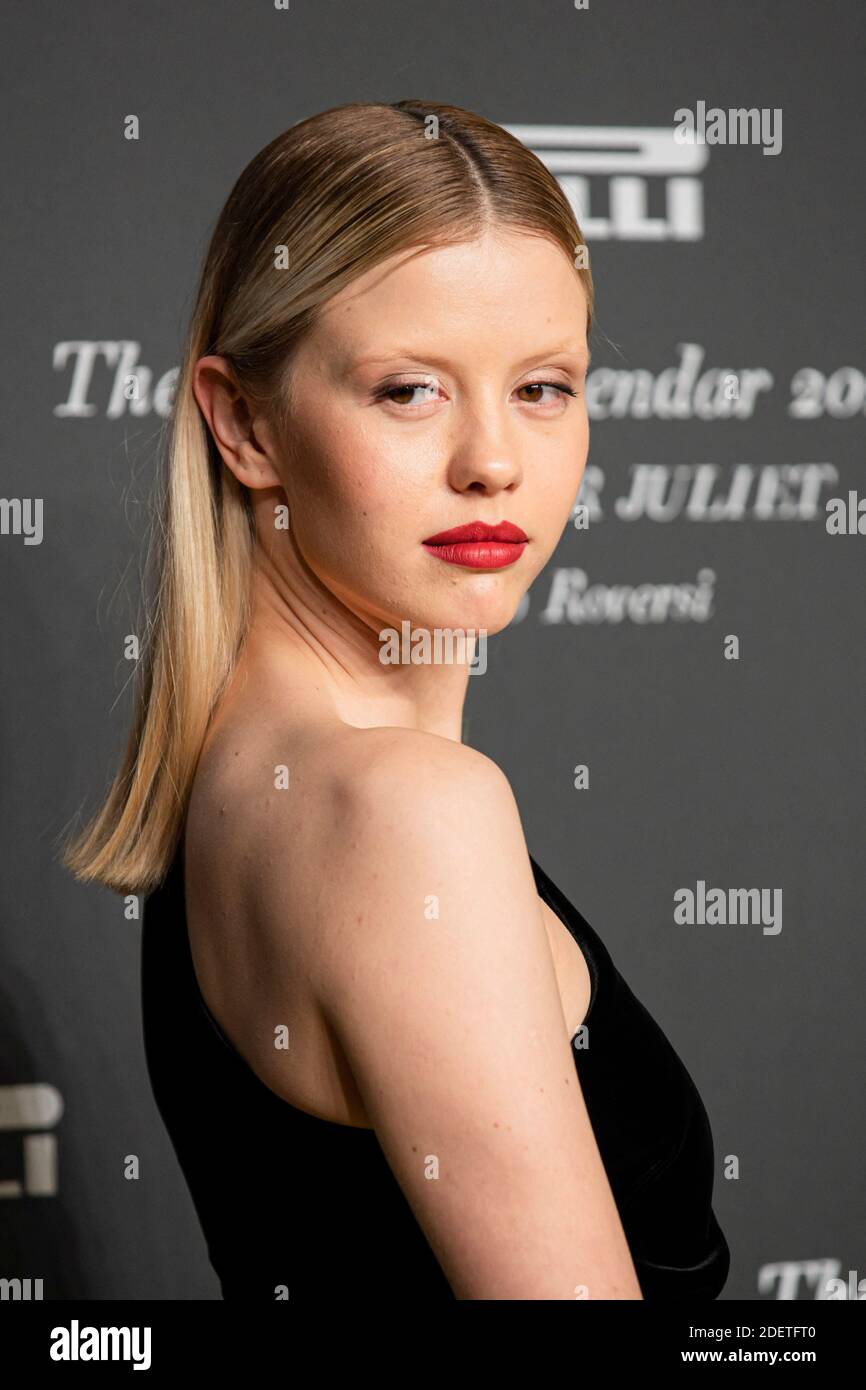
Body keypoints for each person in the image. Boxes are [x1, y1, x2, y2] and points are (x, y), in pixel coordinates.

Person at [63, 99, 730, 1301]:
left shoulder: (243, 777)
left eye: (543, 387)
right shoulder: (404, 811)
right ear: (244, 421)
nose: (494, 459)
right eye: (409, 390)